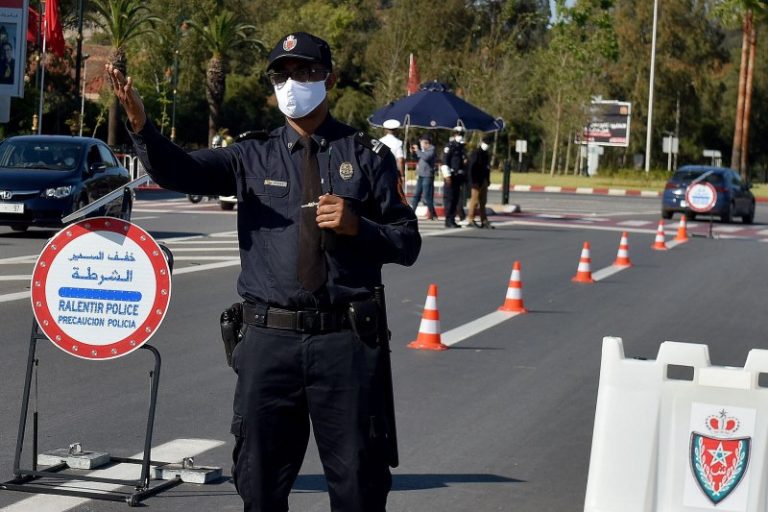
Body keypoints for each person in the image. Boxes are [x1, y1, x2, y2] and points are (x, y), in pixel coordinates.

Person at [107, 31, 421, 512]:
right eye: (281, 73)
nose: (291, 82)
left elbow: (407, 242)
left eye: (303, 72)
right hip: (269, 342)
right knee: (258, 487)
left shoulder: (365, 158)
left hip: (346, 344)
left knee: (359, 486)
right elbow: (182, 171)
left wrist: (360, 227)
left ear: (328, 79)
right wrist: (141, 125)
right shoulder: (250, 156)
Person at [442, 127, 467, 228]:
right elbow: (445, 162)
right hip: (451, 175)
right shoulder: (450, 146)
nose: (460, 135)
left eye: (461, 133)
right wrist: (447, 176)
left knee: (456, 199)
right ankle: (448, 220)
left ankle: (452, 219)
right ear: (454, 134)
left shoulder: (460, 147)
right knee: (450, 199)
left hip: (458, 176)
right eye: (458, 133)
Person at [409, 134, 438, 220]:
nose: (420, 144)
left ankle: (433, 214)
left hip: (428, 176)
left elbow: (426, 158)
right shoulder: (423, 150)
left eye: (421, 142)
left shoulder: (431, 149)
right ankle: (412, 213)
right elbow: (418, 158)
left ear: (426, 143)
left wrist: (418, 150)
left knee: (427, 196)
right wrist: (413, 153)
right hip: (421, 176)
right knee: (416, 195)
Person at [467, 137, 493, 228]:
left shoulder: (486, 154)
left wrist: (488, 180)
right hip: (476, 181)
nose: (487, 145)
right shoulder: (476, 153)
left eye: (488, 144)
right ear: (481, 142)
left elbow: (487, 169)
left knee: (483, 201)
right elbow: (471, 168)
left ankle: (484, 220)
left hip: (483, 180)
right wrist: (472, 181)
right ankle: (471, 219)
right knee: (474, 201)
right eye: (486, 143)